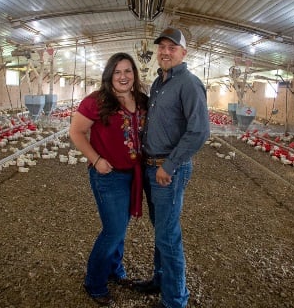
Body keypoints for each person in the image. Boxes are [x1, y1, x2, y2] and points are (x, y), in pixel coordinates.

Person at [133, 27, 210, 308]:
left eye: (172, 47)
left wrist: (171, 164)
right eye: (161, 47)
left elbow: (199, 131)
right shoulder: (158, 83)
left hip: (169, 170)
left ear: (183, 53)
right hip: (152, 167)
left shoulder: (189, 84)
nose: (165, 52)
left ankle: (175, 300)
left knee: (168, 235)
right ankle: (160, 280)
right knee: (161, 231)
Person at [69, 52, 148, 306]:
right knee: (113, 230)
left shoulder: (141, 100)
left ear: (134, 74)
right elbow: (76, 132)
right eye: (117, 72)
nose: (123, 76)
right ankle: (94, 282)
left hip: (132, 175)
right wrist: (96, 159)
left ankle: (115, 270)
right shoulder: (97, 101)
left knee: (120, 229)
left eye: (128, 71)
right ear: (109, 75)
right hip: (108, 175)